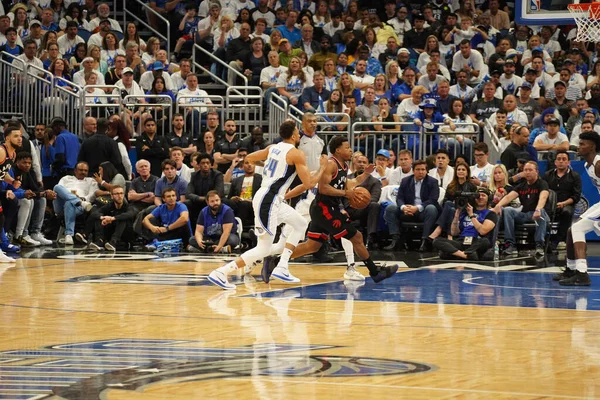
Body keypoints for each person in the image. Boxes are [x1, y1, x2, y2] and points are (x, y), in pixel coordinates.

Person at [207, 120, 328, 290]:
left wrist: (267, 166)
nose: (300, 134)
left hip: (273, 199)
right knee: (263, 249)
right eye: (298, 132)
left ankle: (282, 266)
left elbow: (248, 158)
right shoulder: (296, 153)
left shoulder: (273, 148)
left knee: (300, 223)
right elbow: (308, 184)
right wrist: (322, 168)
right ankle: (222, 272)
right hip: (269, 199)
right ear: (293, 135)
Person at [262, 136, 399, 284]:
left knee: (312, 246)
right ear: (338, 150)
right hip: (324, 208)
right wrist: (346, 194)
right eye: (347, 147)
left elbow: (349, 184)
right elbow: (323, 188)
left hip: (325, 209)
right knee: (357, 236)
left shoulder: (343, 166)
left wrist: (366, 174)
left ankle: (274, 262)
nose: (351, 150)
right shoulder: (330, 165)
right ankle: (375, 272)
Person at [554, 131, 600, 286]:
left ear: (592, 147)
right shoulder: (588, 163)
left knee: (577, 229)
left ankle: (581, 273)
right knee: (573, 230)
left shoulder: (598, 164)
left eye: (582, 144)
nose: (578, 147)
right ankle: (574, 270)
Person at [492, 161, 549, 257]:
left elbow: (543, 197)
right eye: (525, 170)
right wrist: (498, 206)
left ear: (536, 172)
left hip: (538, 213)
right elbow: (508, 197)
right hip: (524, 214)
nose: (527, 172)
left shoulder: (542, 183)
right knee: (507, 210)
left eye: (530, 170)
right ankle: (510, 244)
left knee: (541, 212)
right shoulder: (522, 186)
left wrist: (538, 209)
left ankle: (539, 244)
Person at [383, 160, 440, 252]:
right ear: (413, 171)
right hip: (407, 210)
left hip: (423, 211)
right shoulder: (405, 181)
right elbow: (399, 198)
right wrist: (403, 207)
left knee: (431, 208)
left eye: (423, 169)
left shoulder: (433, 182)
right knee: (391, 208)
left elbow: (433, 200)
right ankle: (396, 239)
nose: (421, 172)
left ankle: (425, 241)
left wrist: (417, 208)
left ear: (426, 171)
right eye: (418, 169)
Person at [433, 187, 498, 260]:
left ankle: (457, 253)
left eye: (483, 195)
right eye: (478, 195)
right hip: (462, 241)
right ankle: (465, 255)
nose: (480, 197)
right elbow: (454, 233)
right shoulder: (464, 212)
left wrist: (471, 215)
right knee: (437, 240)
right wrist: (457, 216)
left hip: (477, 241)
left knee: (485, 241)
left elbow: (483, 231)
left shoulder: (491, 214)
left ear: (488, 199)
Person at [11, 151, 55, 247]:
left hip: (22, 196)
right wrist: (41, 193)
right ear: (17, 162)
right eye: (24, 163)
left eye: (29, 163)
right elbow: (18, 191)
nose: (27, 165)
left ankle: (35, 233)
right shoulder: (13, 171)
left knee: (42, 199)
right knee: (27, 200)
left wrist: (45, 193)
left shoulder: (30, 172)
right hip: (11, 196)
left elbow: (35, 189)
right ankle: (21, 234)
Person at [543, 151, 582, 250]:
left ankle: (559, 240)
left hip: (566, 204)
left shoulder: (575, 176)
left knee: (567, 212)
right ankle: (541, 240)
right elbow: (543, 191)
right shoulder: (547, 175)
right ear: (555, 162)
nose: (561, 161)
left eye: (564, 159)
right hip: (549, 205)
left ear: (569, 162)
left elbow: (576, 196)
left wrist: (563, 203)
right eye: (559, 159)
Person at [53, 162, 99, 245]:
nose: (83, 172)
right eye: (81, 170)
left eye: (85, 170)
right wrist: (76, 199)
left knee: (69, 203)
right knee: (56, 187)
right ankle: (78, 201)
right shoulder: (66, 178)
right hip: (61, 205)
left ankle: (69, 235)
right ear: (75, 170)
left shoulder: (91, 181)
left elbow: (92, 195)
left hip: (78, 207)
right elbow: (58, 192)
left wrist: (82, 199)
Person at [345, 154, 382, 249]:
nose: (361, 164)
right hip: (348, 209)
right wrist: (343, 207)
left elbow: (374, 198)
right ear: (354, 164)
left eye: (364, 162)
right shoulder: (347, 178)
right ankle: (330, 241)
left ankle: (371, 237)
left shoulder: (375, 182)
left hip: (363, 209)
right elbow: (341, 196)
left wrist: (359, 203)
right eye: (359, 162)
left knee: (374, 205)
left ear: (368, 166)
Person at [85, 185, 137, 252]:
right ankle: (99, 241)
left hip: (126, 234)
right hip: (111, 232)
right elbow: (95, 213)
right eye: (117, 194)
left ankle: (113, 242)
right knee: (99, 217)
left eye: (121, 193)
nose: (119, 196)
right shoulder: (109, 205)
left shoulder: (128, 206)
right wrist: (103, 217)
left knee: (122, 218)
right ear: (112, 196)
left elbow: (130, 214)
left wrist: (112, 218)